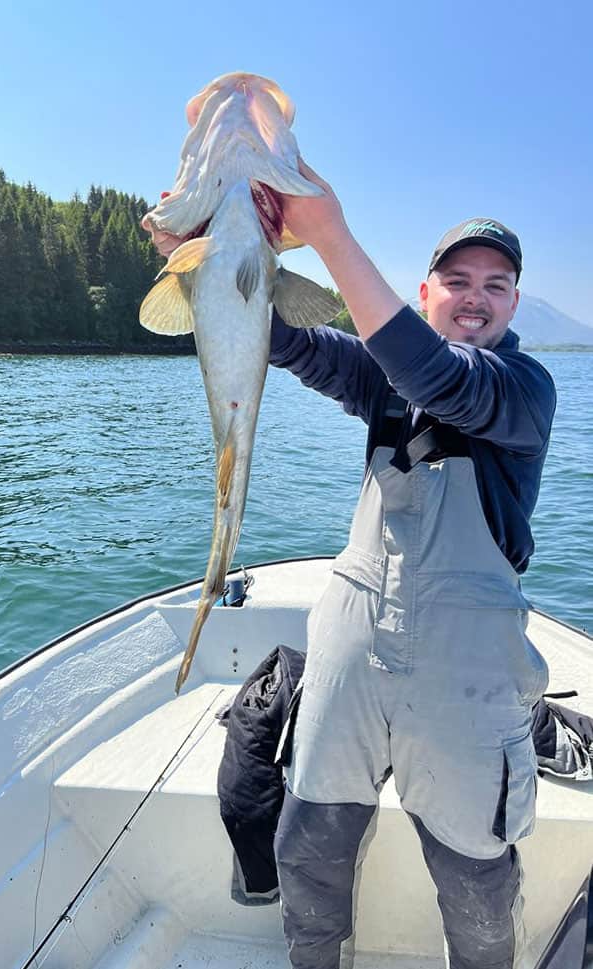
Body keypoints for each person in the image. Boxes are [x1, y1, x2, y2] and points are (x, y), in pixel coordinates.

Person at [268, 162, 557, 969]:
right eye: (457, 279)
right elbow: (285, 340)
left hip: (466, 666)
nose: (476, 296)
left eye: (496, 285)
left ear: (512, 304)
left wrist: (327, 232)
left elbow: (436, 375)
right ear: (423, 293)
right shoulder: (384, 378)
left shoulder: (523, 389)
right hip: (352, 641)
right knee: (308, 840)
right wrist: (222, 248)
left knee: (473, 869)